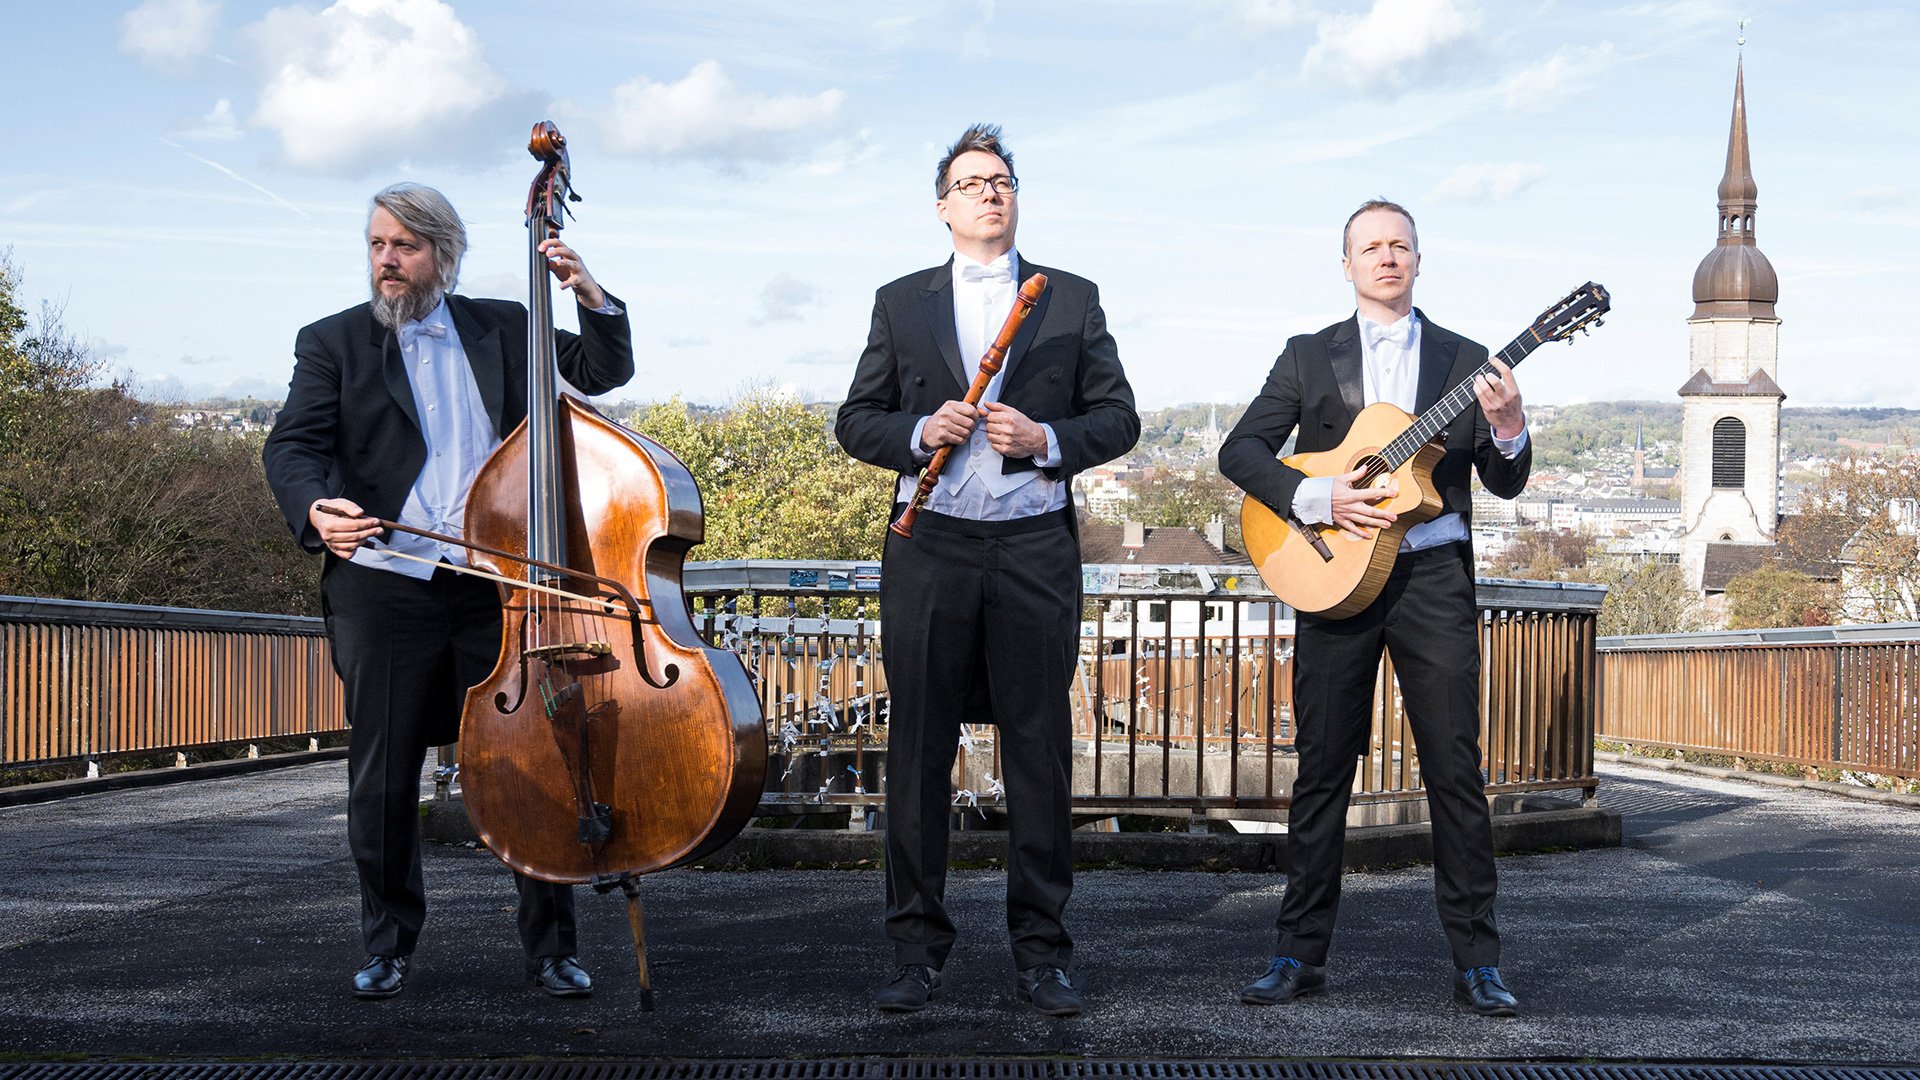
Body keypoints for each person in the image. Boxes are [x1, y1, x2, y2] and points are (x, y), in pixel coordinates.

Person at [263, 182, 634, 1000]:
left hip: (497, 583)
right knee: (385, 772)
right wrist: (316, 511)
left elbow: (604, 370)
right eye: (376, 246)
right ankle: (387, 943)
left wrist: (589, 294)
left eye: (404, 246)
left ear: (444, 255)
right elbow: (293, 447)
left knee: (534, 761)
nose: (386, 262)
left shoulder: (505, 323)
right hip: (386, 582)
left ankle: (552, 949)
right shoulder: (332, 342)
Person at [834, 124, 1138, 1017]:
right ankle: (915, 953)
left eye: (1001, 181)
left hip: (1033, 545)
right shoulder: (900, 302)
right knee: (920, 749)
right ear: (943, 206)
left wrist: (1047, 441)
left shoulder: (1071, 298)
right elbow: (856, 420)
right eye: (971, 183)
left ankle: (1042, 956)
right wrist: (920, 431)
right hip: (928, 544)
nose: (989, 193)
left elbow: (1117, 418)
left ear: (1015, 196)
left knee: (1039, 751)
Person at [1217, 199, 1530, 1017]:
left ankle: (1478, 962)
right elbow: (1240, 450)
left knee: (1454, 773)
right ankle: (1296, 955)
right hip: (1337, 581)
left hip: (1431, 584)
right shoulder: (1306, 357)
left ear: (1419, 261)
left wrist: (1509, 427)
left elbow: (1504, 482)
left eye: (1400, 245)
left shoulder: (1467, 359)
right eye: (1370, 246)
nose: (1386, 257)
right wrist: (1315, 496)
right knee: (1322, 770)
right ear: (1348, 264)